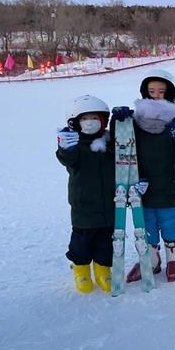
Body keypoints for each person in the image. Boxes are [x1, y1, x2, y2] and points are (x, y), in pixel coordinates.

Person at [111, 69, 175, 284]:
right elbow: (119, 140)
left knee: (170, 220)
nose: (156, 95)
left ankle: (174, 258)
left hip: (168, 180)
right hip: (142, 181)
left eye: (161, 91)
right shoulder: (136, 120)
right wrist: (117, 121)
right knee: (146, 220)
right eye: (151, 91)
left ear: (169, 93)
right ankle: (151, 257)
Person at [56, 95, 114, 294]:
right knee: (82, 242)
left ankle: (102, 271)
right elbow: (66, 159)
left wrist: (122, 122)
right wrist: (65, 148)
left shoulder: (109, 144)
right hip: (84, 205)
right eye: (84, 118)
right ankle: (81, 271)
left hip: (109, 204)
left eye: (95, 118)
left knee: (106, 241)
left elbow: (126, 155)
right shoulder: (75, 146)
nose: (90, 122)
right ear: (75, 122)